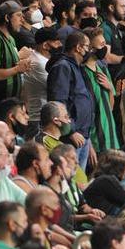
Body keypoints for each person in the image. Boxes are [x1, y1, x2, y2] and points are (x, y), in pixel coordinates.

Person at [46, 30, 95, 170]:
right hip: (71, 136)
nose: (89, 51)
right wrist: (71, 131)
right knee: (70, 178)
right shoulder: (63, 67)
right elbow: (58, 103)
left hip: (83, 134)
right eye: (87, 47)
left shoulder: (77, 67)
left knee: (79, 181)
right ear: (78, 47)